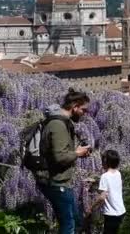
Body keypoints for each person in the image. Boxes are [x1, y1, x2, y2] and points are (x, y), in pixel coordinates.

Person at [36, 88, 92, 234]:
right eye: (84, 110)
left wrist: (76, 151)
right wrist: (77, 153)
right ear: (75, 107)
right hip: (55, 182)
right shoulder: (58, 125)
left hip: (60, 182)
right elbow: (60, 157)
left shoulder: (62, 122)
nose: (85, 114)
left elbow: (61, 151)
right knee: (69, 225)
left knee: (77, 221)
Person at [87, 150, 126, 234]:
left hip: (111, 213)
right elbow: (111, 188)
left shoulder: (104, 176)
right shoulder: (118, 173)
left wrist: (92, 207)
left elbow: (102, 197)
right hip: (121, 211)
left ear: (105, 162)